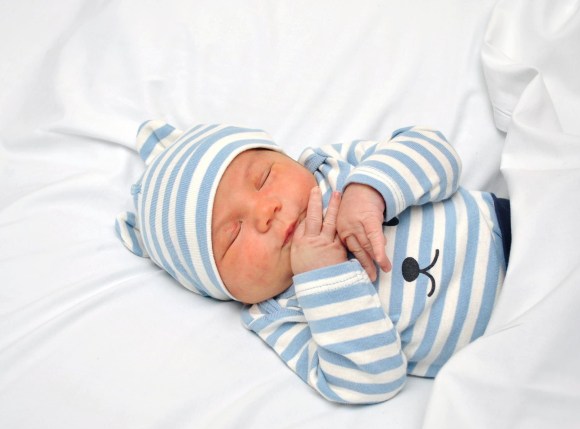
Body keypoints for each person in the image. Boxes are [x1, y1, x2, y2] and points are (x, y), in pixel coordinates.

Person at [116, 120, 511, 404]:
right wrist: (324, 277)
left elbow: (437, 151)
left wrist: (369, 190)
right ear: (222, 289)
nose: (265, 210)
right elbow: (372, 378)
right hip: (505, 338)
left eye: (264, 177)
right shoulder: (278, 315)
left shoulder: (332, 171)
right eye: (232, 234)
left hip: (512, 228)